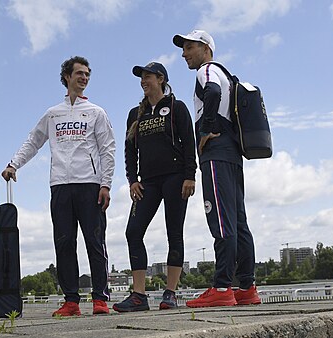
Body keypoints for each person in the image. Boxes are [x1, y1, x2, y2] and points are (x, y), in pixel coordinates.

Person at [1, 56, 116, 317]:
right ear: (66, 76)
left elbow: (108, 149)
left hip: (90, 184)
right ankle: (71, 301)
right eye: (79, 73)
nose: (84, 78)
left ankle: (100, 298)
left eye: (87, 74)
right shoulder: (53, 114)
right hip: (60, 186)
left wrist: (105, 184)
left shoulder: (97, 112)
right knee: (64, 243)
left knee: (95, 242)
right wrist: (13, 165)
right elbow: (34, 141)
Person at [172, 30, 261, 307]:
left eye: (189, 47)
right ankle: (246, 286)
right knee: (238, 221)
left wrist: (206, 128)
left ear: (206, 49)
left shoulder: (207, 71)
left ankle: (222, 287)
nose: (184, 53)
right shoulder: (227, 75)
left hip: (216, 151)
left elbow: (211, 92)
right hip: (233, 152)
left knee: (220, 217)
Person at [112, 62, 196, 312]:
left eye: (148, 76)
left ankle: (170, 293)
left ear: (161, 79)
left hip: (175, 178)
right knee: (133, 231)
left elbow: (189, 143)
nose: (143, 81)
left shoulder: (176, 108)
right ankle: (139, 296)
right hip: (146, 182)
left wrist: (190, 175)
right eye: (141, 78)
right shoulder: (135, 114)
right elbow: (129, 150)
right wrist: (132, 180)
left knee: (174, 233)